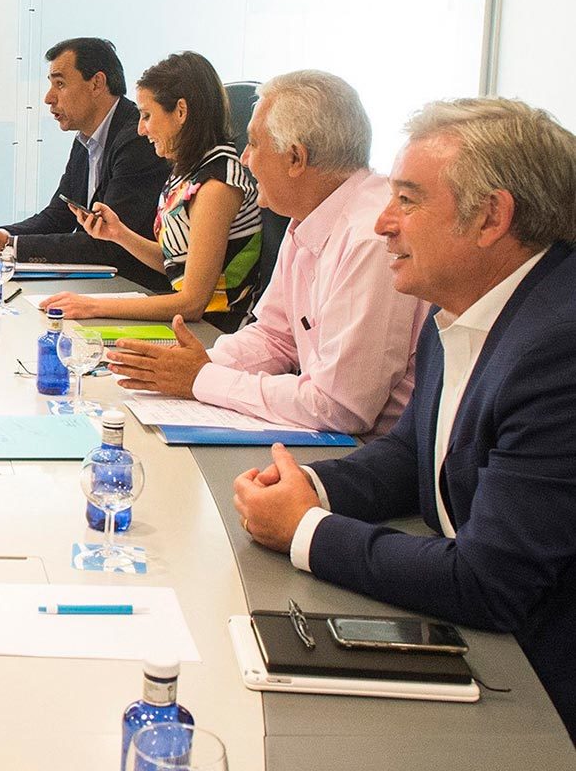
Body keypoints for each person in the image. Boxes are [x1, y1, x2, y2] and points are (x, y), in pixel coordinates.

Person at [232, 97, 576, 741]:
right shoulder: (461, 308)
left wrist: (306, 531)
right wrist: (315, 488)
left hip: (542, 697)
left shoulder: (559, 348)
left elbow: (488, 582)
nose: (383, 222)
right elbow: (414, 453)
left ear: (492, 217)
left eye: (409, 200)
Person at [107, 70, 429, 438]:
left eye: (254, 144)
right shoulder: (307, 216)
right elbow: (276, 337)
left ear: (295, 158)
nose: (244, 159)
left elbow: (339, 407)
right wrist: (188, 365)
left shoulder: (369, 238)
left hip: (363, 456)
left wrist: (203, 378)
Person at [40, 51, 262, 332]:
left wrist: (94, 305)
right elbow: (178, 263)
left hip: (216, 332)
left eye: (147, 115)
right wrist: (119, 235)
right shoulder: (187, 173)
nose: (141, 129)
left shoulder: (216, 185)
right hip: (191, 325)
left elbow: (192, 302)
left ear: (180, 111)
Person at [0, 37, 169, 288]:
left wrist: (10, 246)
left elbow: (107, 244)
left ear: (97, 84)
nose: (48, 98)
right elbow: (58, 216)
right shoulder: (85, 139)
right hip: (101, 284)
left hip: (136, 287)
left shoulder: (138, 139)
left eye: (60, 84)